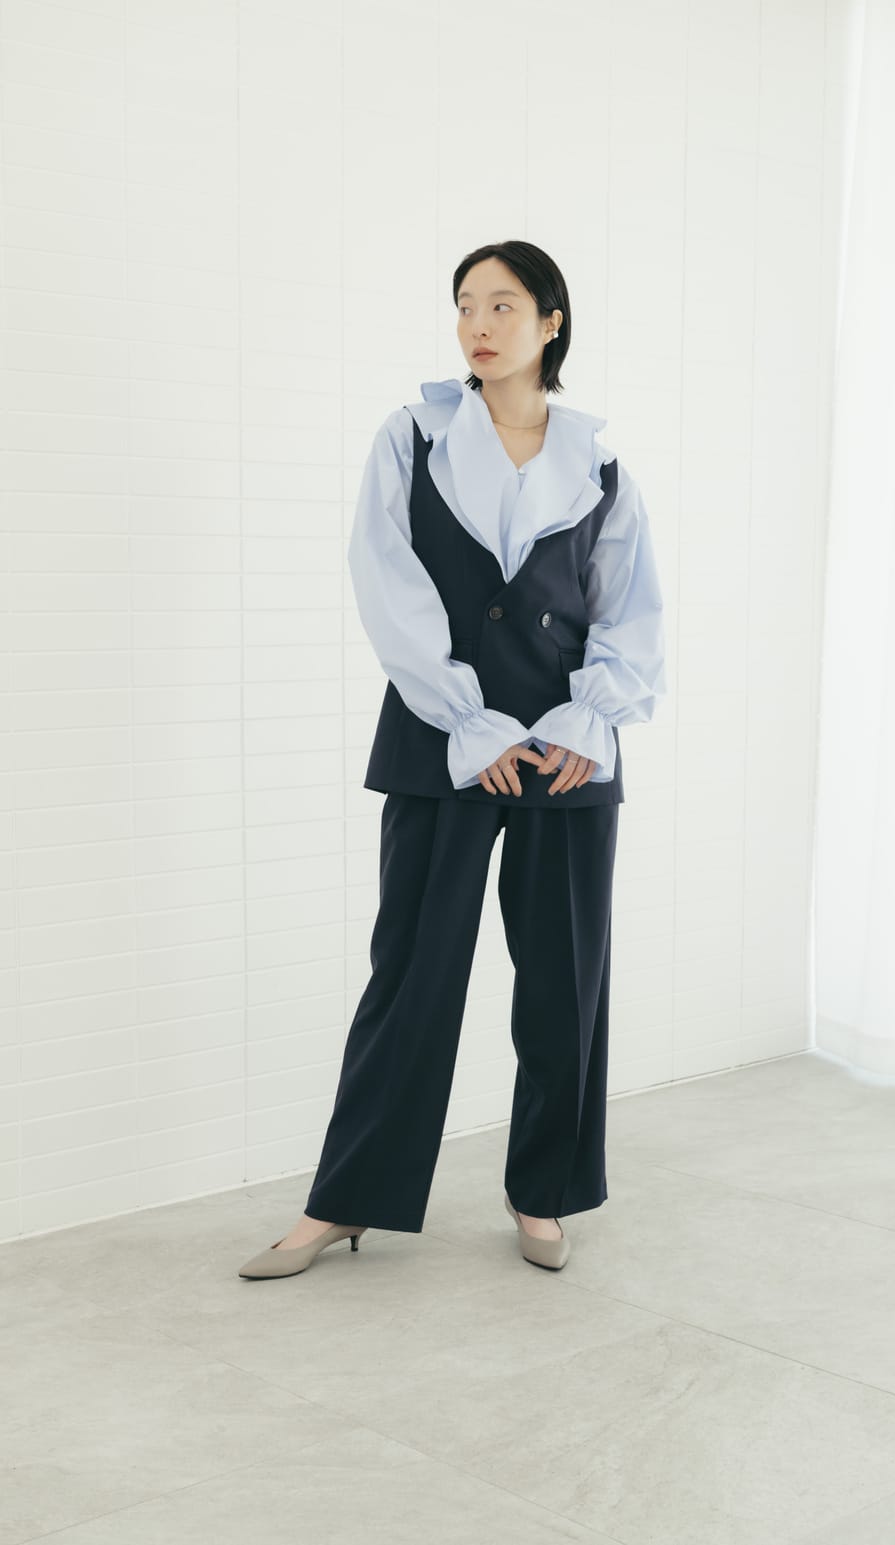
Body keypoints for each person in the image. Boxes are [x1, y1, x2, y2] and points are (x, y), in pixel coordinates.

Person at [238, 239, 666, 1280]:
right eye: (466, 304)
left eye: (503, 305)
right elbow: (387, 582)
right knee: (412, 975)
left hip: (567, 753)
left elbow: (629, 611)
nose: (479, 323)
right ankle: (345, 1200)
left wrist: (587, 722)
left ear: (551, 322)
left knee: (565, 981)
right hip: (443, 741)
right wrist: (468, 721)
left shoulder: (601, 463)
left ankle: (542, 1192)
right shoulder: (413, 435)